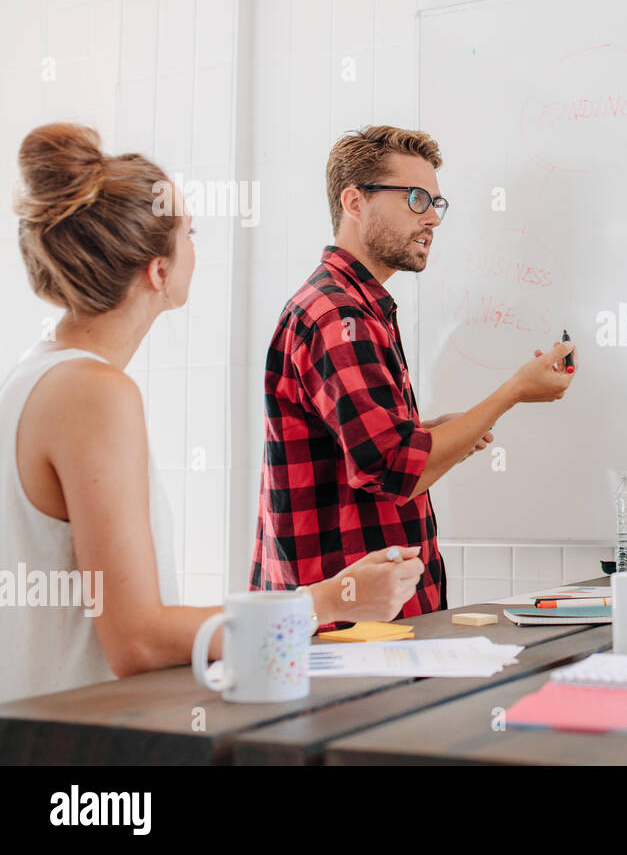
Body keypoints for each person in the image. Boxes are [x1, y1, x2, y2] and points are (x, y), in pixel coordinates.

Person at [0, 123, 425, 703]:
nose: (196, 249)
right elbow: (137, 641)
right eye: (190, 234)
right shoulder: (94, 393)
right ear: (158, 270)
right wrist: (333, 597)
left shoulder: (37, 375)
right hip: (85, 736)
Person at [249, 126, 576, 617]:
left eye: (436, 204)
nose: (432, 219)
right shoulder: (339, 316)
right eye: (416, 199)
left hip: (366, 627)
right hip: (349, 633)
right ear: (355, 202)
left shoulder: (356, 306)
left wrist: (429, 432)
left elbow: (365, 454)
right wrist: (513, 392)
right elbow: (399, 470)